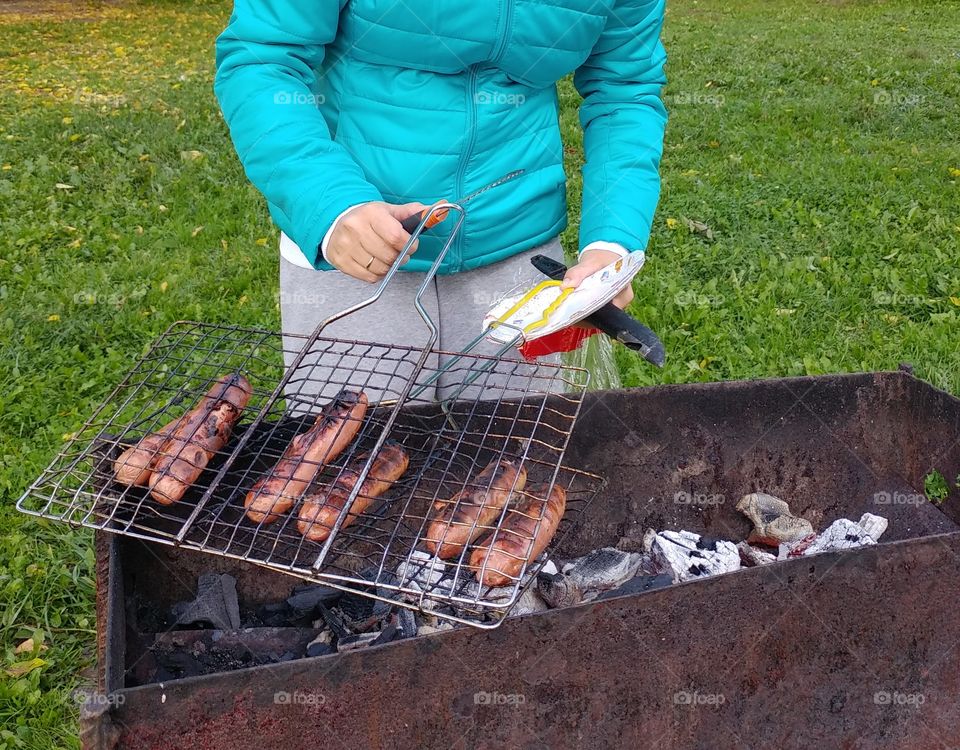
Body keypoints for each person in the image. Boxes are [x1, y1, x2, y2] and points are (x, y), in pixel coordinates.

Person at [214, 0, 667, 404]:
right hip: (357, 247)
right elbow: (264, 59)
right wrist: (330, 203)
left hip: (518, 249)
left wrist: (612, 241)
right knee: (342, 474)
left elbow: (625, 91)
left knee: (508, 471)